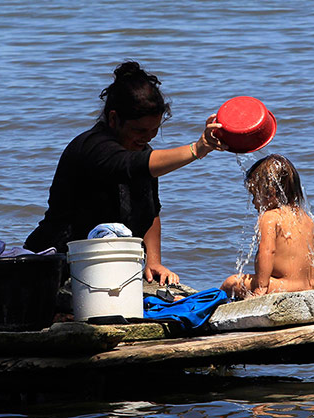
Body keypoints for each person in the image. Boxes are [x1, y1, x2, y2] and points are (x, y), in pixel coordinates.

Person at [24, 61, 226, 285]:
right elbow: (132, 165)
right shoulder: (93, 147)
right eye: (139, 130)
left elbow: (151, 212)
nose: (147, 137)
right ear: (113, 119)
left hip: (106, 263)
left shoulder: (142, 152)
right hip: (57, 261)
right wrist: (197, 149)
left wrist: (153, 261)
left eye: (154, 130)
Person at [220, 154, 314, 299]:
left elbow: (267, 251)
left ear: (271, 193)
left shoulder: (270, 217)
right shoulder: (305, 217)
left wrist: (262, 288)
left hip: (284, 287)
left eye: (255, 195)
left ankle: (210, 306)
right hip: (311, 287)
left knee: (231, 282)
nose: (254, 203)